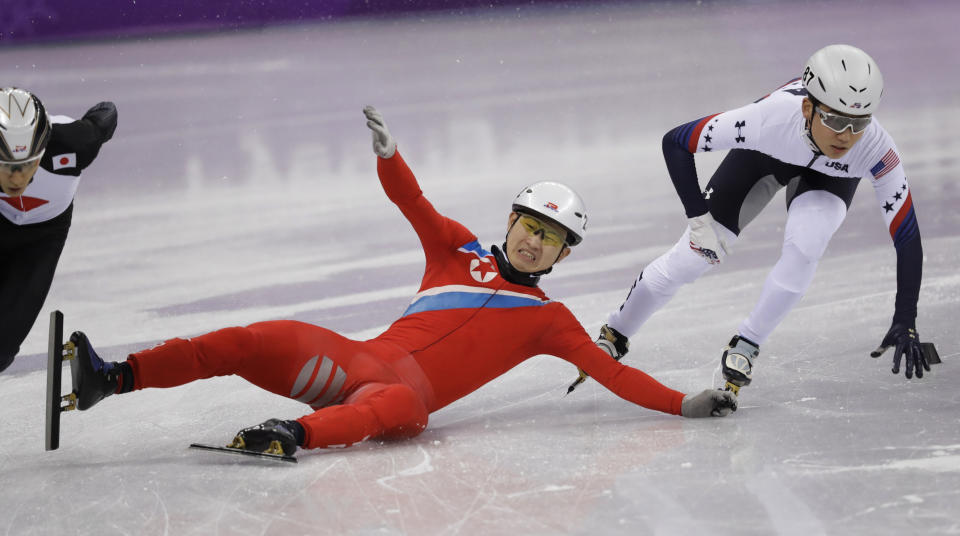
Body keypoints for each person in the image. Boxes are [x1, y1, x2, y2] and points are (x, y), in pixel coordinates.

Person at [62, 106, 737, 457]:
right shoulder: (456, 249)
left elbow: (614, 375)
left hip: (401, 398)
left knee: (392, 407)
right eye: (531, 225)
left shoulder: (550, 322)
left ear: (563, 257)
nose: (536, 241)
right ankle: (114, 378)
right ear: (510, 220)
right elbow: (411, 200)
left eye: (552, 238)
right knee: (248, 338)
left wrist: (683, 405)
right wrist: (390, 154)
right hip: (355, 360)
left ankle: (294, 435)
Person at [586, 44, 930, 396]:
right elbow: (675, 142)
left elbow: (907, 238)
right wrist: (698, 219)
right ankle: (616, 332)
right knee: (691, 259)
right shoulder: (767, 119)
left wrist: (907, 318)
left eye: (859, 122)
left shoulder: (875, 148)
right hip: (765, 157)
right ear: (808, 107)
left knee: (807, 246)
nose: (846, 135)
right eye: (835, 120)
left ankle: (748, 343)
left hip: (830, 179)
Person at [0, 88, 117, 373]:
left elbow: (106, 111)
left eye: (28, 164)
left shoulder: (77, 142)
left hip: (44, 237)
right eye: (6, 166)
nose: (17, 179)